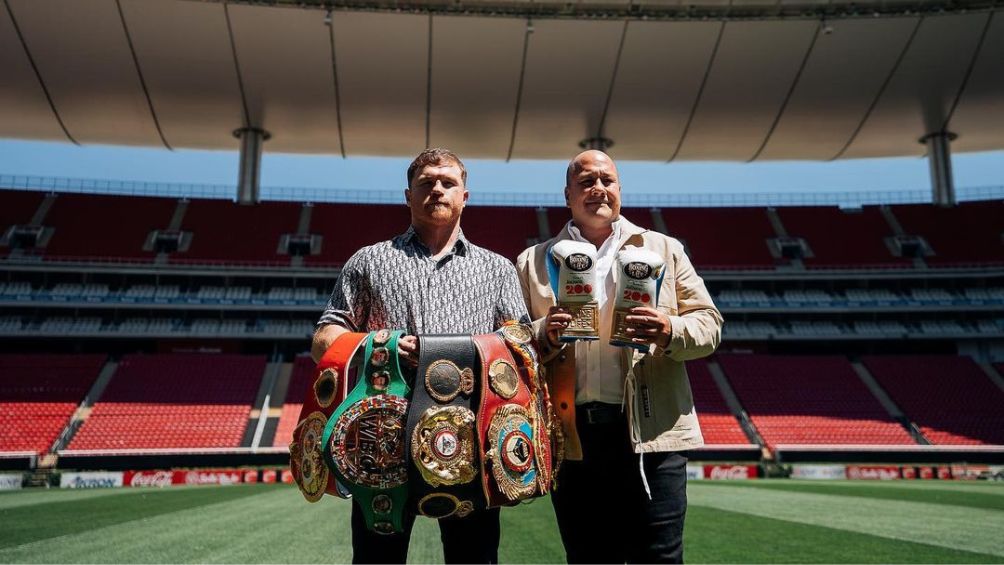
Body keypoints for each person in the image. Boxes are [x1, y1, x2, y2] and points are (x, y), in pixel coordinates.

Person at [312, 148, 530, 564]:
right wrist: (382, 343)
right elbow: (325, 336)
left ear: (465, 196)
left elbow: (520, 343)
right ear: (407, 195)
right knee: (377, 559)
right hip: (380, 439)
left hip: (471, 439)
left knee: (475, 559)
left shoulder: (498, 269)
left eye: (447, 182)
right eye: (426, 182)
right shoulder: (368, 261)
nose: (436, 189)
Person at [516, 150, 723, 564]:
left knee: (661, 557)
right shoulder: (532, 261)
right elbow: (511, 340)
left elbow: (710, 324)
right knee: (588, 557)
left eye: (607, 180)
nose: (598, 189)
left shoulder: (664, 248)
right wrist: (543, 332)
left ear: (620, 190)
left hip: (652, 435)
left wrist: (669, 329)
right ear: (568, 195)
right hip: (572, 439)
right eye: (586, 181)